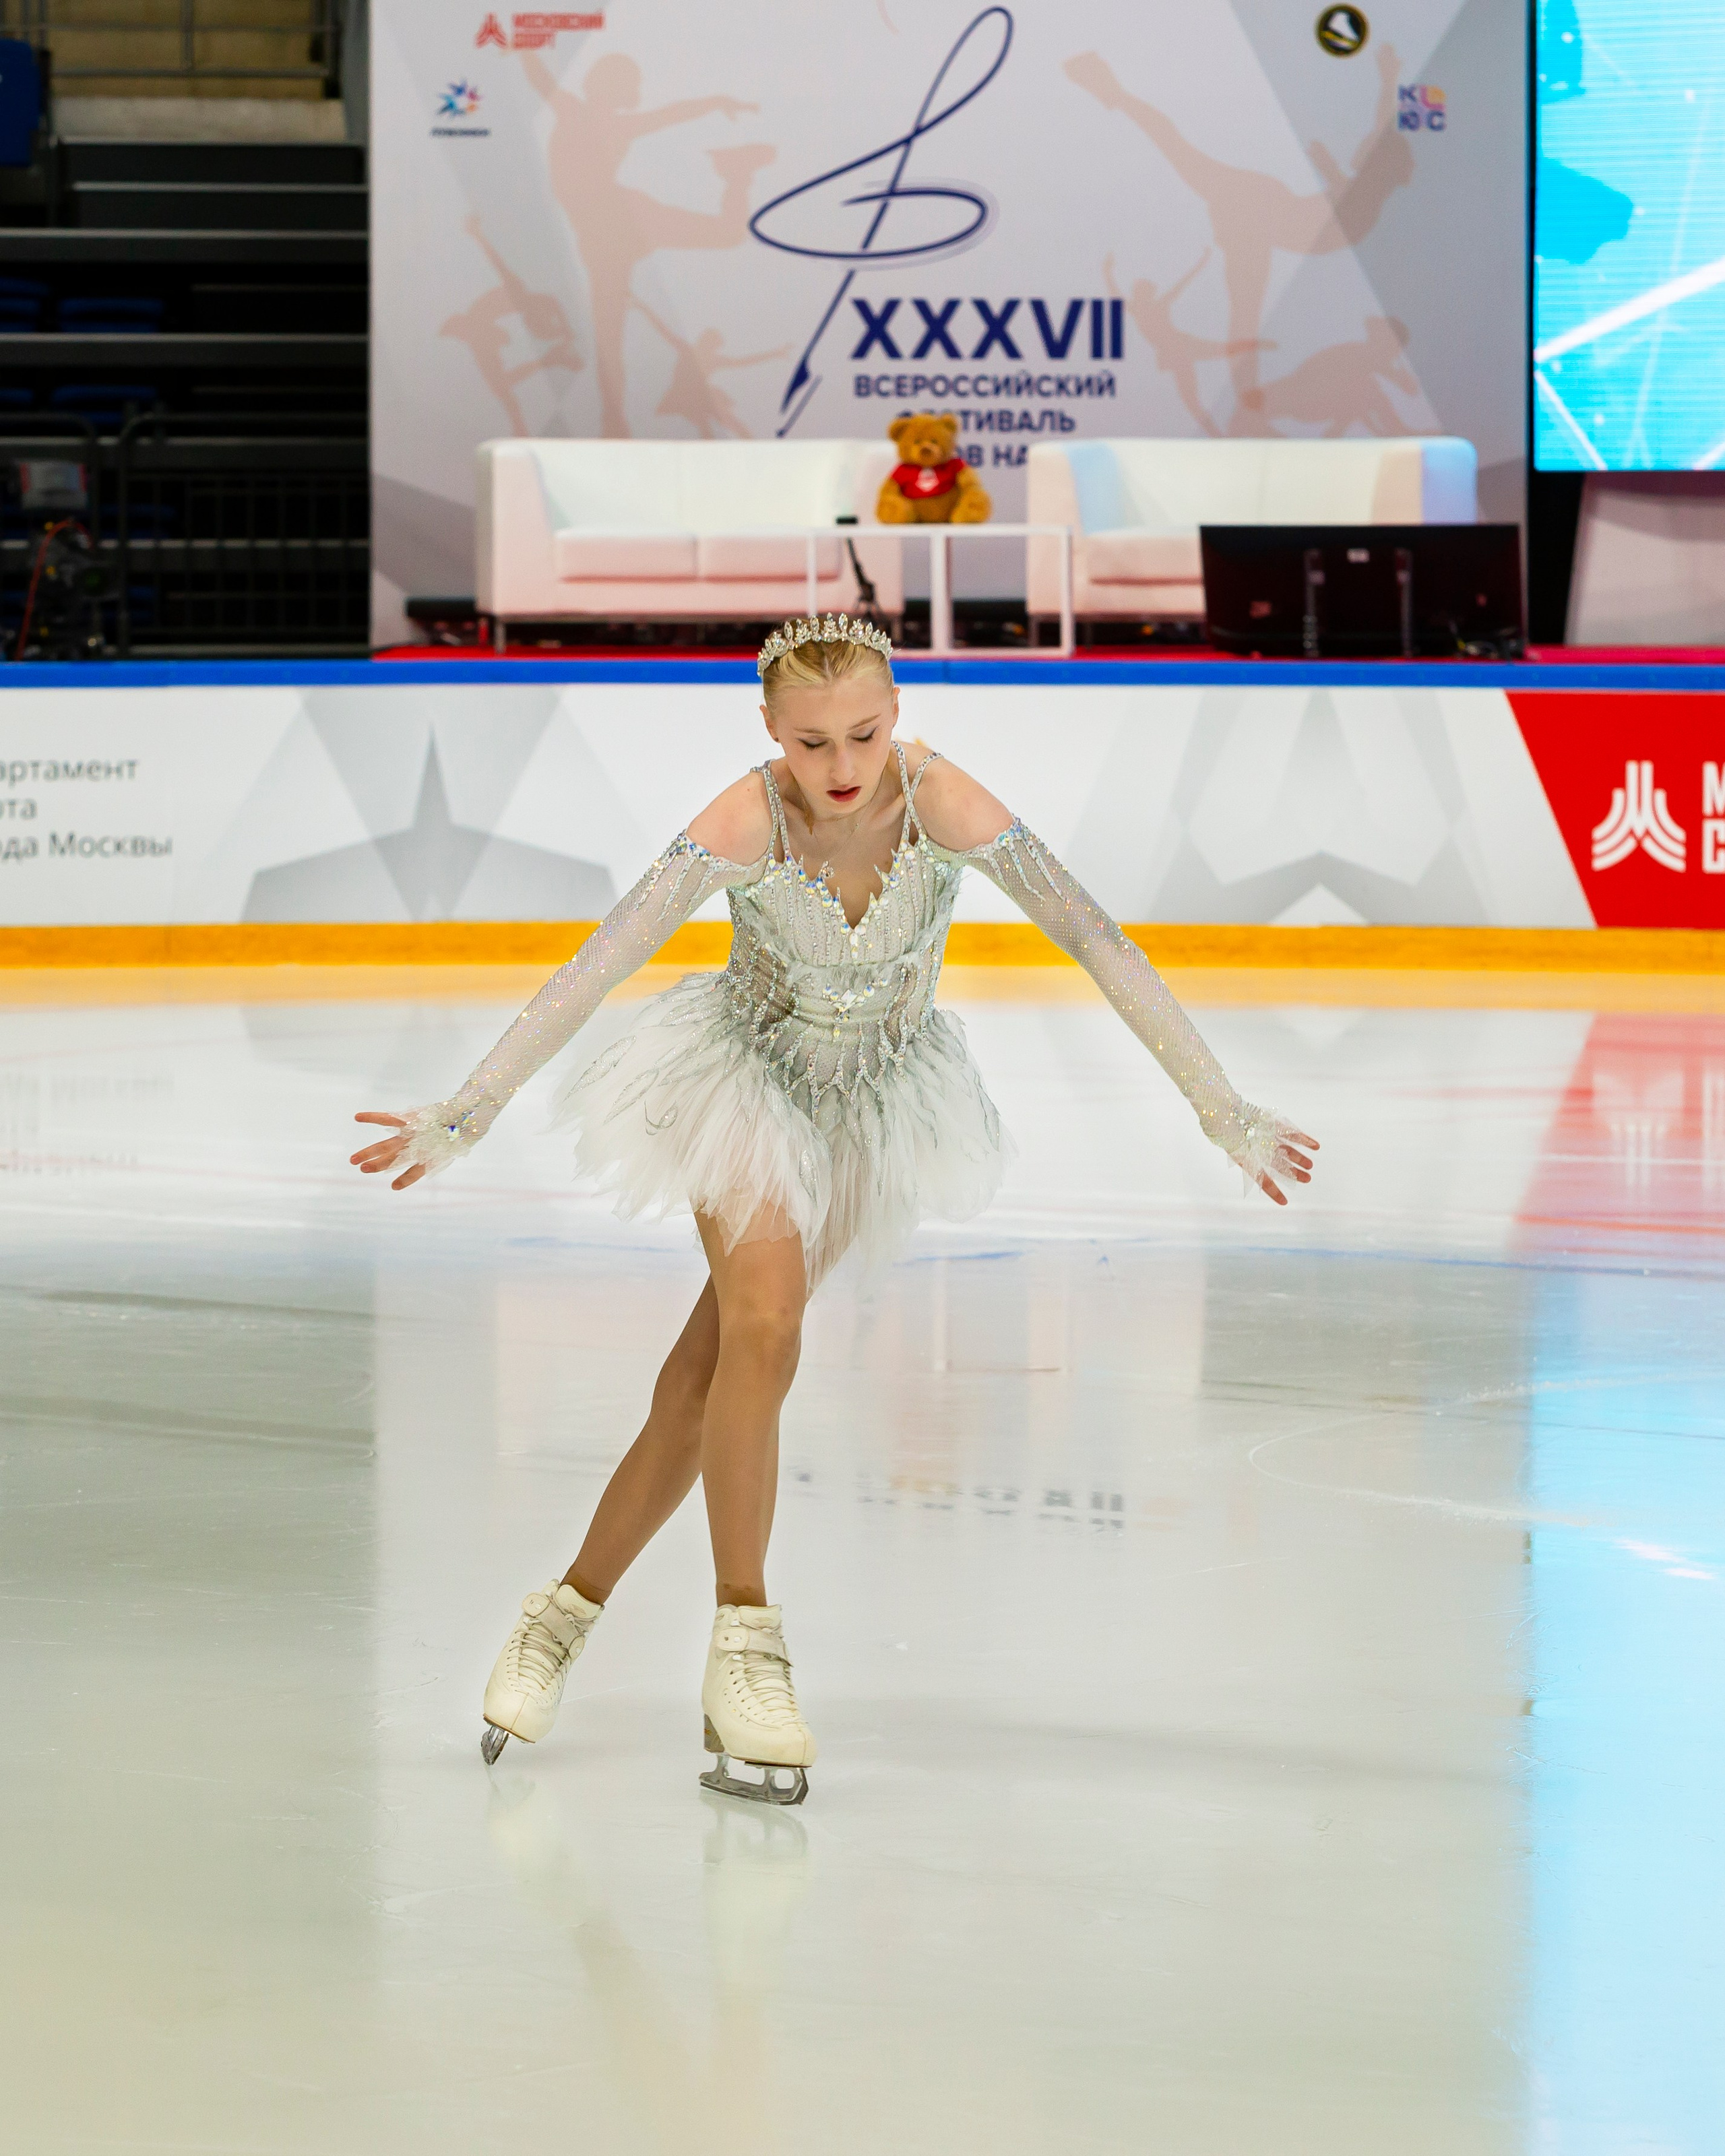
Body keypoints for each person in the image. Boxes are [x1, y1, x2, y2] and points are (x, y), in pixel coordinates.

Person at [350, 616, 1317, 1805]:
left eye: (865, 731)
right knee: (764, 1324)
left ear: (897, 711)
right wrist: (471, 1108)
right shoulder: (744, 818)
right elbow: (598, 963)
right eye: (812, 742)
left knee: (705, 1382)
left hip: (871, 1110)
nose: (843, 763)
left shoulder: (943, 802)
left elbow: (1094, 939)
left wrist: (1223, 1110)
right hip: (745, 1087)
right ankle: (745, 1649)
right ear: (771, 733)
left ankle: (559, 1620)